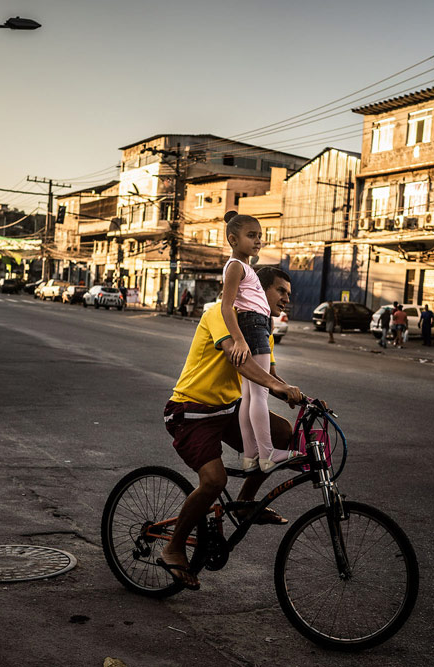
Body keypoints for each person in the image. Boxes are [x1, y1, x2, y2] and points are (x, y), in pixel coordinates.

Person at [161, 266, 305, 590]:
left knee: (281, 432)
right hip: (191, 409)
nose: (286, 299)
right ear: (256, 288)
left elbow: (270, 375)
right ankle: (173, 546)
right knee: (213, 480)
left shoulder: (261, 327)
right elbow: (239, 360)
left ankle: (244, 503)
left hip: (227, 409)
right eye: (280, 291)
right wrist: (278, 388)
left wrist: (304, 397)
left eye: (289, 294)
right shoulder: (218, 314)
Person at [220, 211, 301, 474]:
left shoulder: (244, 267)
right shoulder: (236, 266)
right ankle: (267, 453)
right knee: (258, 394)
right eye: (251, 236)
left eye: (260, 236)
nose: (258, 241)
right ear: (233, 239)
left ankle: (251, 454)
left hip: (256, 325)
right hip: (252, 326)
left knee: (250, 395)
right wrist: (240, 340)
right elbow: (226, 306)